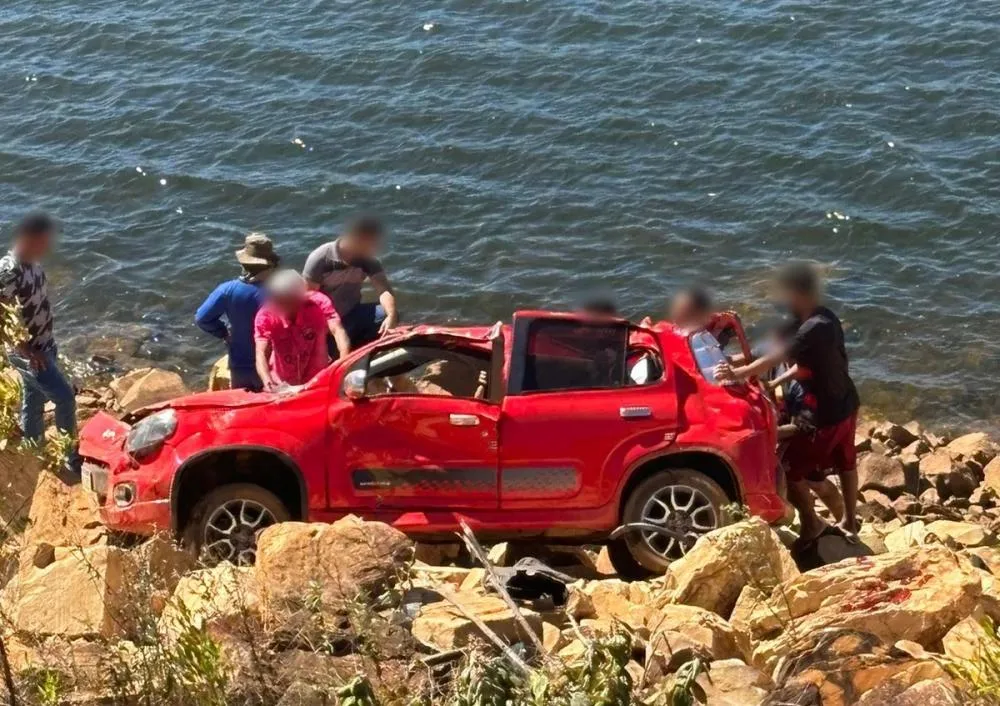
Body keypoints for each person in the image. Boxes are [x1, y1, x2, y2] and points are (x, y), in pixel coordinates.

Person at [715, 262, 860, 544]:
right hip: (846, 403)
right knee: (843, 465)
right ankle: (849, 521)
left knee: (791, 471)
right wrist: (729, 360)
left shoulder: (813, 328)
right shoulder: (818, 318)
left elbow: (773, 357)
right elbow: (767, 351)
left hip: (825, 415)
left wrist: (737, 373)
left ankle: (812, 524)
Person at [0, 213, 79, 470]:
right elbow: (2, 318)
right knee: (65, 398)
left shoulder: (32, 263)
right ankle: (70, 457)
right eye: (44, 241)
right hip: (30, 353)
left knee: (33, 397)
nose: (48, 247)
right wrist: (26, 351)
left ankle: (33, 446)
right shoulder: (9, 270)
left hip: (45, 345)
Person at [195, 233, 280, 392]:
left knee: (243, 406)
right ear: (269, 265)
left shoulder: (227, 290)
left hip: (239, 364)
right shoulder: (276, 294)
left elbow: (202, 318)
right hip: (270, 366)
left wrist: (223, 333)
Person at [303, 216, 397, 353]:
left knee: (385, 314)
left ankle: (364, 348)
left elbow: (384, 290)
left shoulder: (367, 260)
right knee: (333, 353)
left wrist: (391, 316)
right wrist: (328, 329)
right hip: (327, 323)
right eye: (372, 242)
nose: (375, 247)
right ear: (358, 238)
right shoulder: (320, 258)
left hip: (353, 312)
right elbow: (308, 301)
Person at [254, 270, 346, 390]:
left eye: (287, 300)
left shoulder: (319, 303)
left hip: (318, 378)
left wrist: (344, 362)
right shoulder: (266, 315)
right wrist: (267, 381)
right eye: (277, 299)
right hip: (283, 383)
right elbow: (261, 352)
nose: (279, 304)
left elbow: (337, 330)